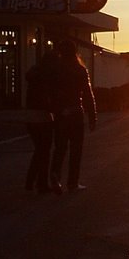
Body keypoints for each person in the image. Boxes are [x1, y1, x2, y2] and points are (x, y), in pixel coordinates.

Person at [49, 37, 97, 192]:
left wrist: (54, 109)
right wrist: (92, 117)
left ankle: (55, 175)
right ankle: (72, 182)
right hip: (76, 111)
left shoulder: (55, 69)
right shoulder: (80, 70)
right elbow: (88, 94)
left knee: (60, 147)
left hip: (60, 113)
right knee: (76, 149)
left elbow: (49, 92)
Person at [24, 48, 57, 193]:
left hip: (30, 115)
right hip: (43, 116)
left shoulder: (34, 73)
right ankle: (40, 183)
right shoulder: (47, 76)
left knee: (40, 150)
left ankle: (31, 181)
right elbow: (47, 98)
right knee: (44, 151)